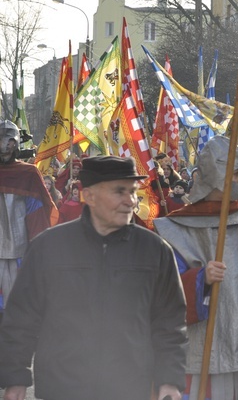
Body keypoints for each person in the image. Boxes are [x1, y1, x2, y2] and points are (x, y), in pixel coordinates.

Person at [0, 155, 187, 400]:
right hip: (62, 387)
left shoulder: (156, 250)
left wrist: (170, 380)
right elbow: (21, 318)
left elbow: (170, 323)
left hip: (130, 387)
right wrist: (15, 378)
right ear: (88, 196)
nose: (130, 201)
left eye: (132, 191)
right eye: (119, 191)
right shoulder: (48, 247)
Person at [154, 136, 238, 400]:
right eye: (237, 172)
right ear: (216, 174)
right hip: (190, 358)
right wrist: (200, 280)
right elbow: (163, 296)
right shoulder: (172, 230)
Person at [0, 120, 58, 324]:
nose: (5, 146)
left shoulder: (28, 173)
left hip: (20, 249)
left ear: (15, 144)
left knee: (19, 305)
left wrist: (38, 245)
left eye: (8, 141)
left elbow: (38, 213)